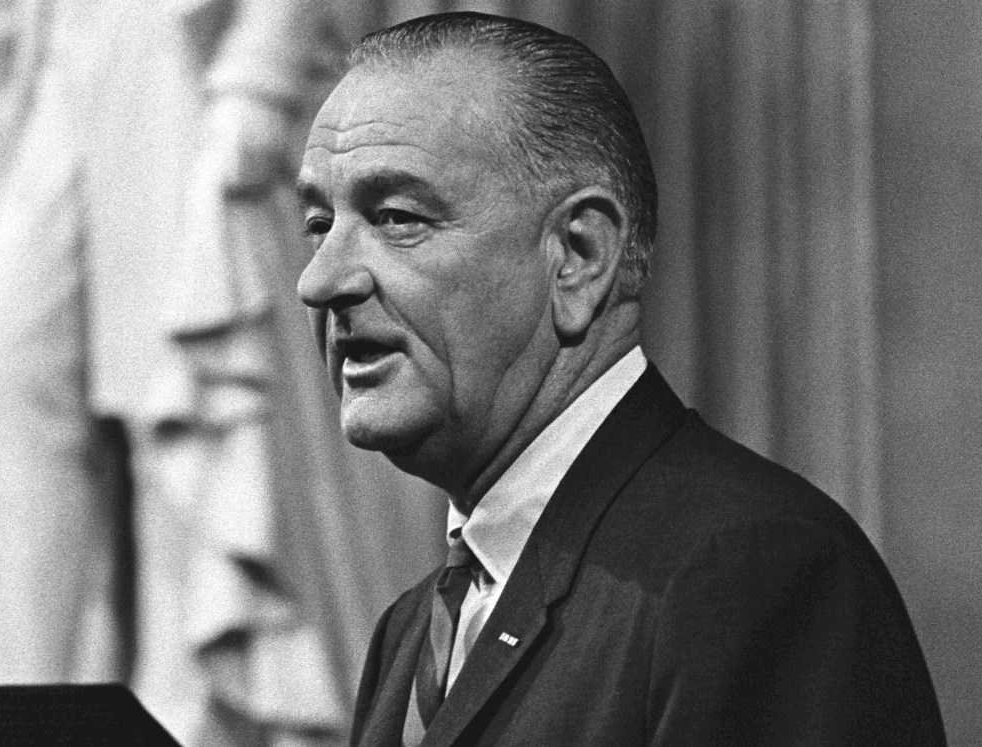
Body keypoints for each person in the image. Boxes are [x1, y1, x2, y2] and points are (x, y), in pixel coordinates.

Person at [295, 12, 945, 747]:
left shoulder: (753, 573)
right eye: (319, 224)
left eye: (396, 216)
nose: (319, 280)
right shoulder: (408, 632)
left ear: (578, 254)